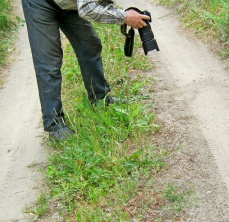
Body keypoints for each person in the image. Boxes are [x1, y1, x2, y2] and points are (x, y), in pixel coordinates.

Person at [21, 0, 150, 141]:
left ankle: (100, 98)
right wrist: (124, 16)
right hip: (40, 4)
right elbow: (87, 9)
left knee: (90, 45)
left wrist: (122, 14)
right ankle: (55, 126)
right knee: (49, 64)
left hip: (70, 4)